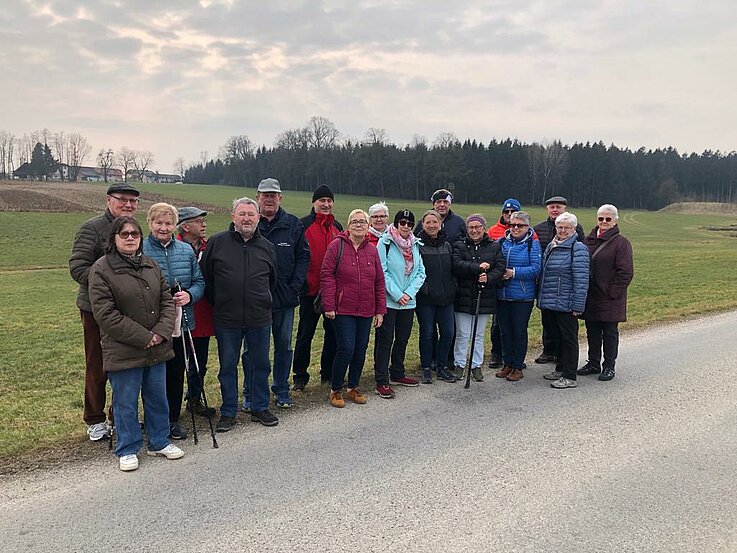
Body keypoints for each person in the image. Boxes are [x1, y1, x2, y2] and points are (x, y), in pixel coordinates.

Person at [88, 216, 184, 471]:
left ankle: (159, 441)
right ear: (114, 239)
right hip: (125, 349)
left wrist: (160, 333)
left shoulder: (151, 265)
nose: (130, 238)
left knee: (157, 397)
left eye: (135, 234)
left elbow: (166, 301)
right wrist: (144, 337)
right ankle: (128, 448)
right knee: (126, 402)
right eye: (124, 234)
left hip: (157, 347)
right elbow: (106, 314)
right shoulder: (101, 269)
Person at [69, 181, 140, 442]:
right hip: (95, 309)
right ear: (109, 200)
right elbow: (78, 267)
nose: (128, 205)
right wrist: (111, 282)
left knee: (125, 365)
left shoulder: (133, 229)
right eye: (123, 199)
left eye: (133, 201)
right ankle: (95, 419)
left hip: (128, 310)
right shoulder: (92, 228)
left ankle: (119, 416)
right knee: (97, 365)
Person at [201, 197, 278, 432]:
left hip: (259, 317)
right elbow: (207, 279)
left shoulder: (267, 247)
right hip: (227, 319)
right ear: (233, 217)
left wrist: (261, 299)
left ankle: (259, 407)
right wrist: (222, 302)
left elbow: (272, 280)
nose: (246, 218)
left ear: (258, 218)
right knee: (227, 366)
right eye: (242, 214)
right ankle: (228, 411)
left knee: (260, 364)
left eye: (251, 214)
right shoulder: (217, 243)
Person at [242, 178, 309, 410]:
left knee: (283, 346)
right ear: (257, 197)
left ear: (280, 198)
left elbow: (303, 258)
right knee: (252, 349)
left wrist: (294, 287)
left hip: (284, 299)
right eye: (265, 195)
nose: (269, 199)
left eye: (273, 195)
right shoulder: (249, 223)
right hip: (254, 300)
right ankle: (251, 392)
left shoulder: (293, 224)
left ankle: (281, 389)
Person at [142, 203, 205, 441]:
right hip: (152, 323)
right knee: (152, 375)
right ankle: (153, 420)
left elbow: (199, 282)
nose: (163, 227)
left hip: (181, 322)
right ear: (150, 223)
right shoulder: (141, 249)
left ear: (175, 225)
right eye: (158, 223)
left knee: (176, 372)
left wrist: (189, 295)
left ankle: (172, 420)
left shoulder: (186, 250)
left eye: (168, 223)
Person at [321, 210, 386, 408]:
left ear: (368, 226)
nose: (359, 225)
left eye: (362, 222)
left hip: (366, 308)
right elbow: (326, 275)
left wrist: (380, 310)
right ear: (348, 226)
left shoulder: (372, 250)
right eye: (354, 222)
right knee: (346, 348)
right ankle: (335, 389)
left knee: (360, 348)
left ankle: (353, 386)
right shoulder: (336, 246)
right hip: (343, 309)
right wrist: (329, 305)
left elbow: (379, 281)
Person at [292, 184, 342, 391]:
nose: (326, 204)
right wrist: (301, 282)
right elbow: (295, 256)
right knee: (305, 335)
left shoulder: (337, 226)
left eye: (329, 201)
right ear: (314, 202)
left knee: (332, 335)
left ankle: (327, 373)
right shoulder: (303, 225)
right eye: (322, 200)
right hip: (309, 291)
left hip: (332, 292)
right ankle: (300, 377)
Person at [578, 204, 634, 381]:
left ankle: (609, 365)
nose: (604, 221)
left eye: (608, 219)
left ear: (615, 221)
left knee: (609, 333)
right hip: (591, 295)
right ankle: (593, 363)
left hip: (609, 297)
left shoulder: (621, 243)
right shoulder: (588, 241)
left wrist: (613, 292)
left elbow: (625, 272)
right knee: (592, 331)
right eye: (601, 218)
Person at [373, 209, 426, 398]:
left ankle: (397, 372)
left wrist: (409, 294)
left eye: (409, 223)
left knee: (402, 339)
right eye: (402, 222)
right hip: (389, 301)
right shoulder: (385, 242)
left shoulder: (415, 244)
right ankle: (381, 380)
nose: (406, 226)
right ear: (396, 224)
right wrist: (397, 294)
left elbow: (421, 272)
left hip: (408, 302)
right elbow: (382, 272)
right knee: (385, 341)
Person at [538, 212, 590, 389]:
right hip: (550, 301)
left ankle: (569, 376)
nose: (562, 230)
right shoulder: (551, 245)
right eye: (559, 227)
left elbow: (582, 279)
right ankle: (560, 369)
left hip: (567, 303)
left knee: (568, 339)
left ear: (574, 229)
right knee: (557, 337)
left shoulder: (578, 249)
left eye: (566, 228)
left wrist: (578, 305)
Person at [451, 214, 505, 381]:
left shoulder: (494, 246)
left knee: (478, 334)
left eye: (477, 227)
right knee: (462, 333)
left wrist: (488, 277)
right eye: (471, 227)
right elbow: (456, 264)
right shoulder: (459, 245)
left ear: (484, 228)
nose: (474, 230)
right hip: (463, 296)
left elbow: (500, 266)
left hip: (484, 296)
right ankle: (460, 364)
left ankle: (476, 365)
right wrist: (477, 268)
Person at [533, 195, 586, 365]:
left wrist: (578, 303)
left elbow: (580, 269)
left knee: (566, 332)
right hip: (547, 285)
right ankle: (550, 352)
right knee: (549, 324)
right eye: (552, 207)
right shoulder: (539, 230)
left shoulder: (577, 237)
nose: (555, 209)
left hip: (565, 289)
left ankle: (566, 368)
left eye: (558, 207)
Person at [176, 206, 216, 417]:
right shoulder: (174, 247)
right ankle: (171, 405)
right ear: (185, 226)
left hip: (203, 312)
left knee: (199, 360)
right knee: (176, 363)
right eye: (199, 221)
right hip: (178, 313)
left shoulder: (209, 247)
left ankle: (194, 398)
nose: (204, 225)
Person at [495, 211, 541, 382]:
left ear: (527, 227)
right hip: (502, 294)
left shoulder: (532, 245)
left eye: (520, 225)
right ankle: (507, 363)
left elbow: (536, 268)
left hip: (522, 296)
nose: (515, 228)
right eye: (512, 224)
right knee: (505, 332)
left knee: (519, 332)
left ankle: (518, 366)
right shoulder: (501, 242)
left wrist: (513, 273)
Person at [415, 209, 458, 384]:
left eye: (435, 222)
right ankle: (426, 367)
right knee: (427, 334)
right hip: (426, 300)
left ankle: (442, 367)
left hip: (446, 299)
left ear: (440, 225)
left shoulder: (447, 246)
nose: (432, 225)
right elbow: (414, 271)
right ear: (423, 225)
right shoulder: (417, 246)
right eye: (428, 222)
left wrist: (453, 287)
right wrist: (425, 289)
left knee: (448, 333)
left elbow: (452, 270)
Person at [486, 198, 527, 369]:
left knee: (517, 328)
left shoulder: (528, 234)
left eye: (513, 212)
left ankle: (515, 360)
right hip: (499, 286)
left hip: (519, 289)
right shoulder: (493, 231)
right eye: (506, 212)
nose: (509, 215)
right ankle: (497, 354)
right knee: (498, 325)